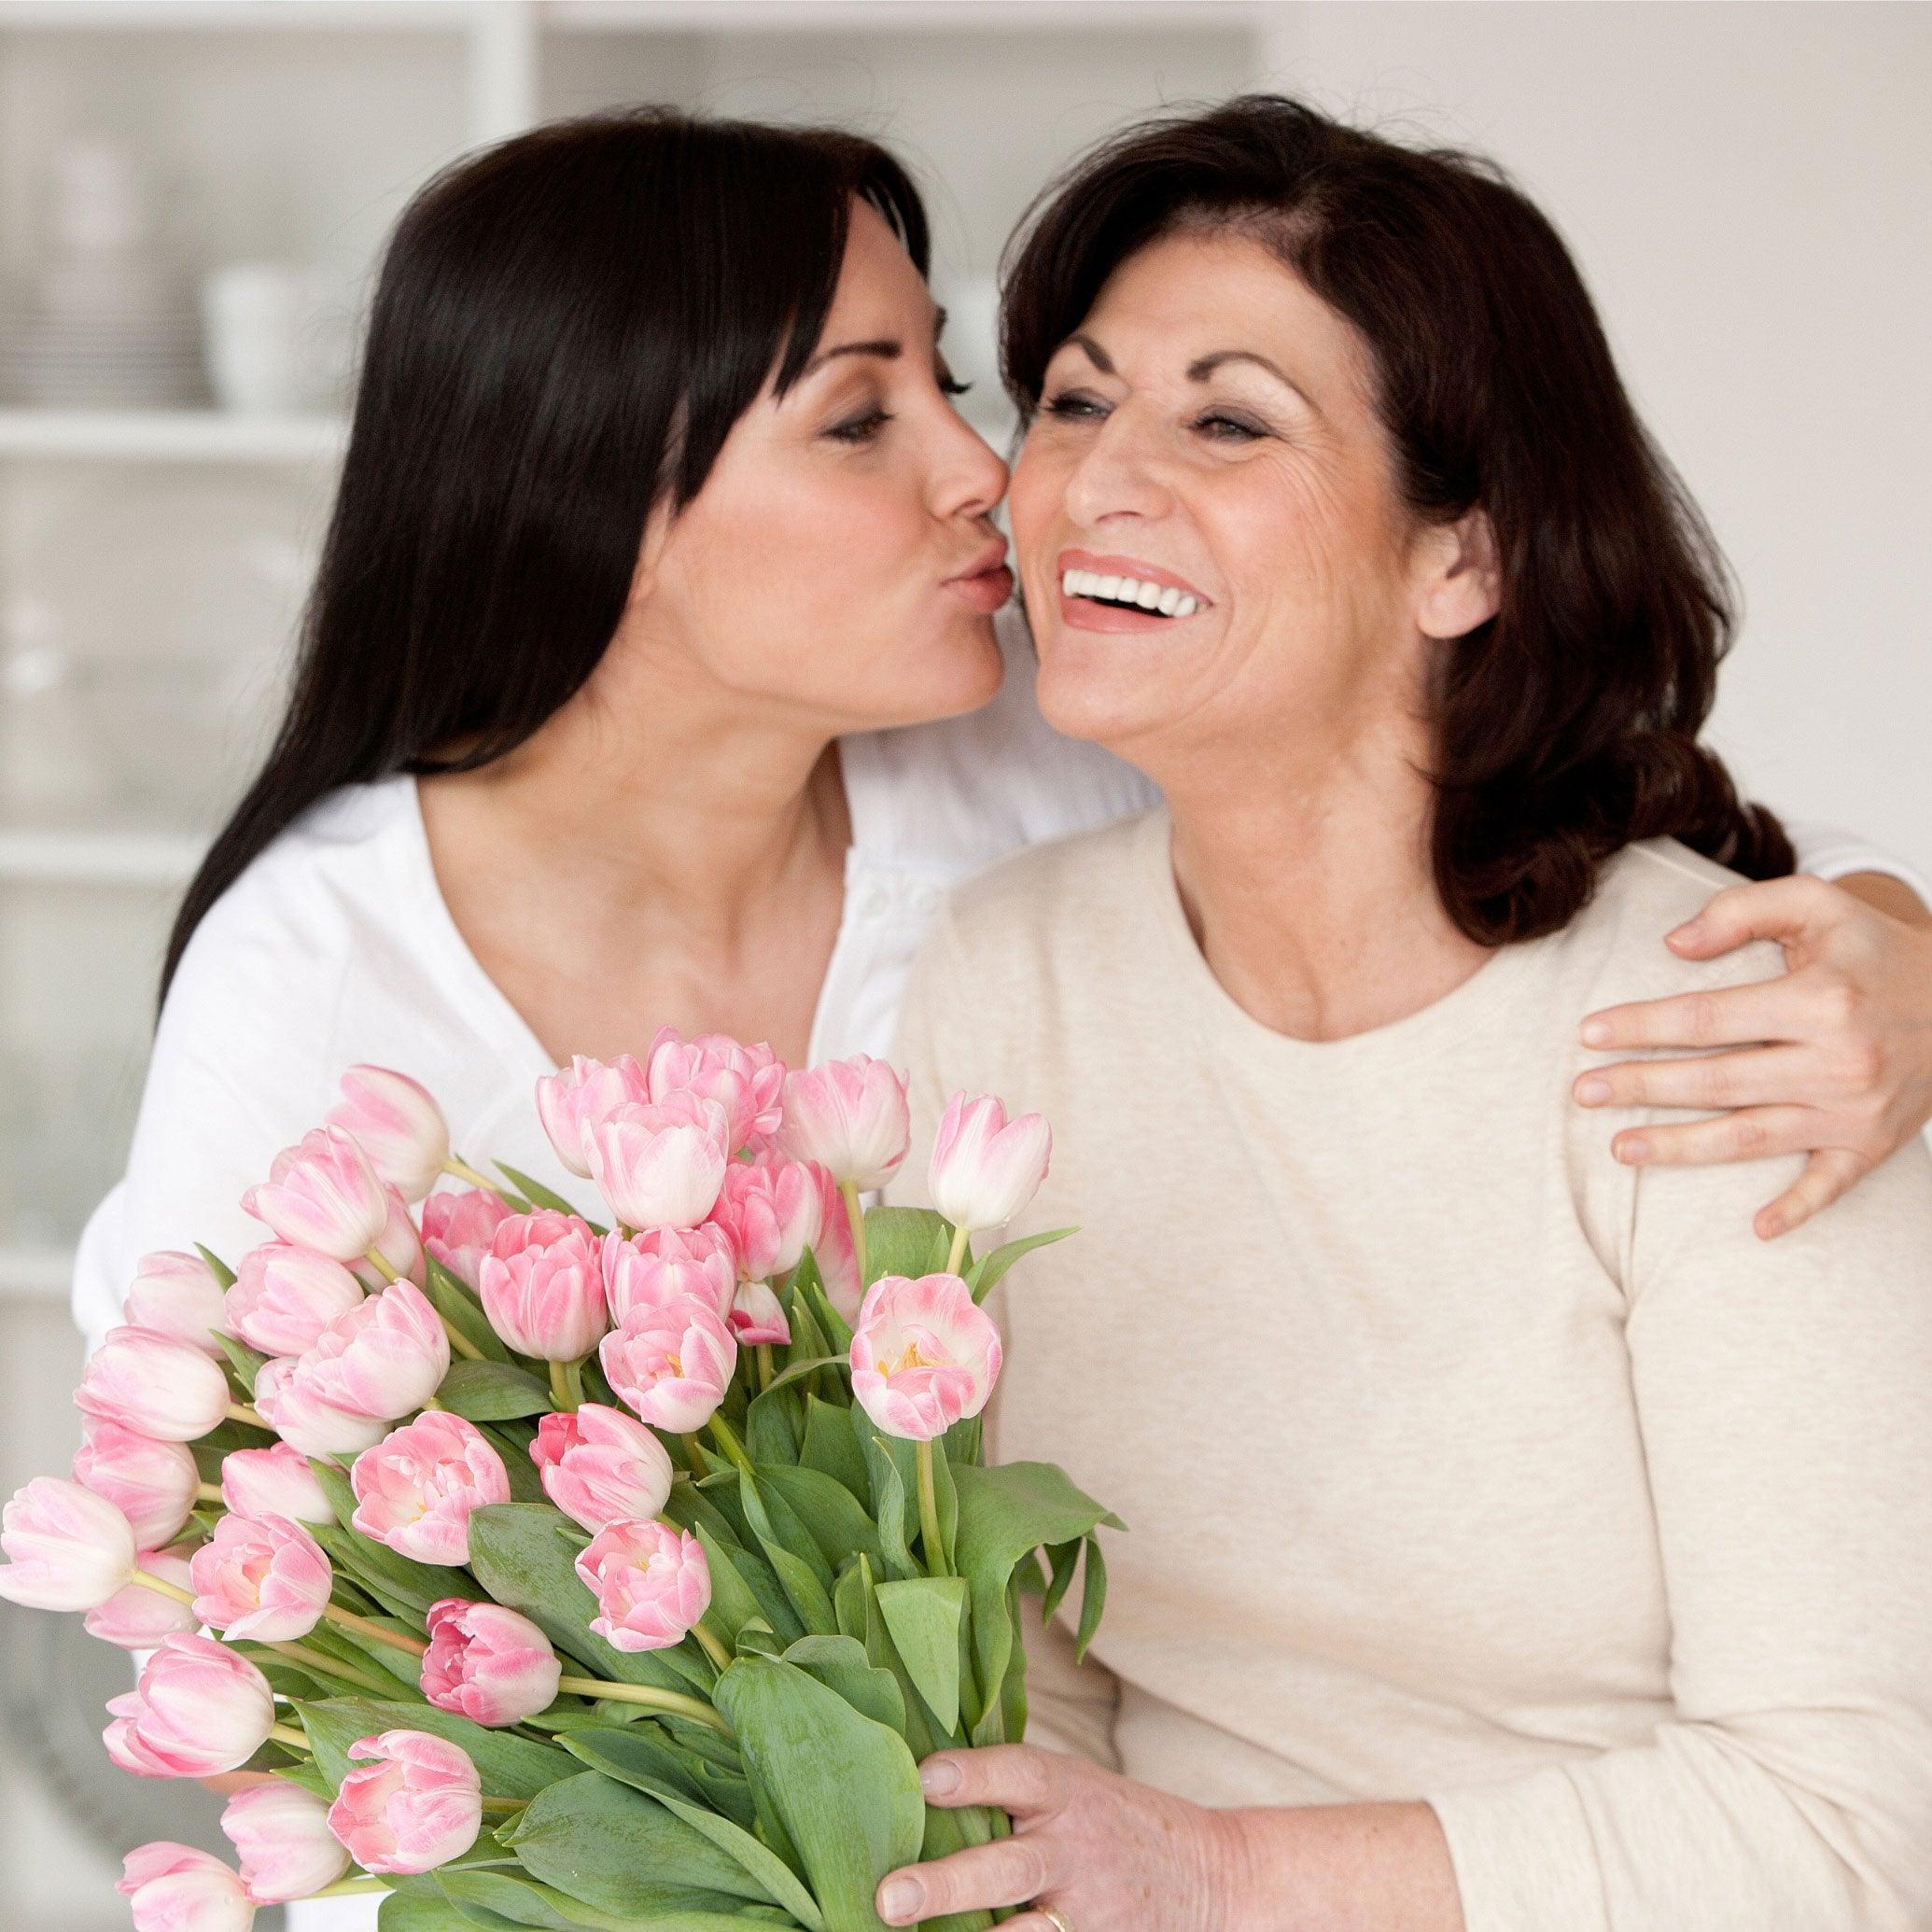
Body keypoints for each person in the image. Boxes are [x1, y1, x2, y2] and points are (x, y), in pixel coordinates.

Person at [65, 104, 1928, 1930]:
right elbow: (244, 1574)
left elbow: (1579, 829)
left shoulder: (1032, 766)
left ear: (1464, 546)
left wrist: (1893, 947)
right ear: (604, 496)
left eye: (962, 387)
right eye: (1046, 402)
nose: (1004, 475)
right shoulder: (979, 937)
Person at [880, 96, 1932, 1932]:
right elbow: (1026, 1695)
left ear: (1465, 558)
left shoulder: (1732, 1029)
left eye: (1227, 417)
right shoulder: (1008, 973)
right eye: (1074, 397)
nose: (1094, 480)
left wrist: (1216, 1879)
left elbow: (1851, 1826)